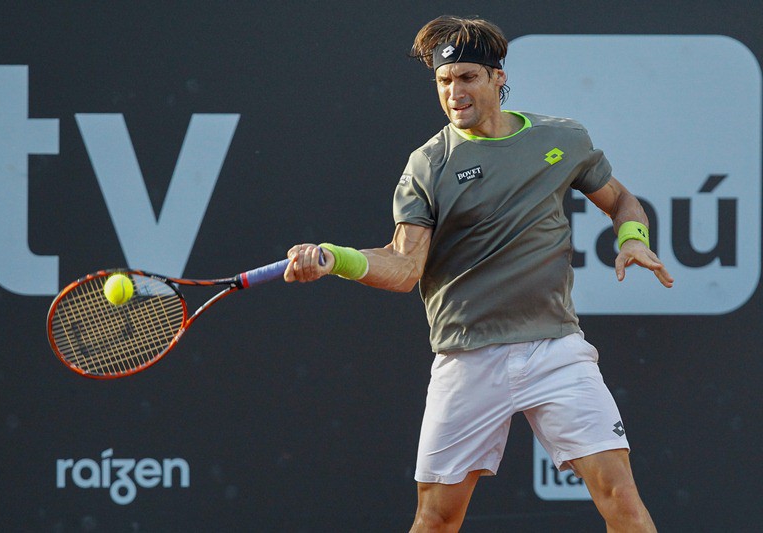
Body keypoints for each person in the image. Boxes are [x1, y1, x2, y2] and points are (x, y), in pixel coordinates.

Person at [284, 14, 673, 533]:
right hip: (467, 358)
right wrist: (337, 258)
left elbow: (622, 200)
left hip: (555, 349)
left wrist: (632, 240)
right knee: (437, 519)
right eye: (444, 82)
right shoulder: (428, 165)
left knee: (621, 498)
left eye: (467, 77)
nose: (454, 92)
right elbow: (403, 268)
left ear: (497, 78)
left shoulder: (563, 139)